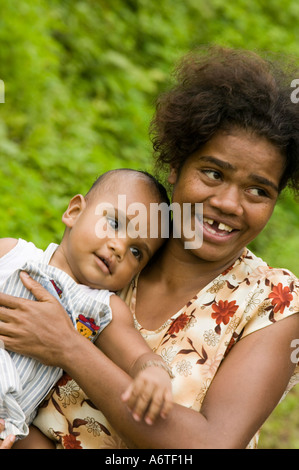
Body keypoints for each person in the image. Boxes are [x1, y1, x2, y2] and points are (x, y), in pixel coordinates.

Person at [0, 45, 299, 449]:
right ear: (176, 167)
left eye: (258, 190)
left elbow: (211, 444)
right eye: (213, 173)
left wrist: (70, 349)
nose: (229, 203)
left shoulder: (273, 304)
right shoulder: (110, 260)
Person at [0, 168, 174, 448]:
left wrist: (154, 371)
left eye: (136, 252)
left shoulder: (102, 308)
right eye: (115, 223)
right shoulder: (11, 253)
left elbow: (137, 356)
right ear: (75, 211)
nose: (119, 246)